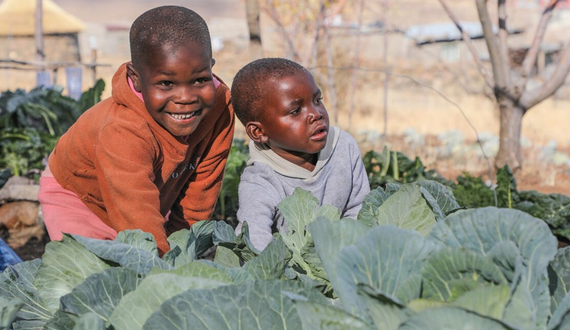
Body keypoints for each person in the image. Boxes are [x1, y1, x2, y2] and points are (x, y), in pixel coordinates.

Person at [37, 6, 235, 255]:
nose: (186, 97)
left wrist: (183, 252)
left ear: (211, 66)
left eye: (200, 80)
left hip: (141, 201)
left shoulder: (219, 108)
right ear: (137, 78)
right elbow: (138, 223)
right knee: (92, 278)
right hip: (79, 200)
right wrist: (162, 268)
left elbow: (201, 193)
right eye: (166, 83)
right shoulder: (122, 130)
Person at [231, 58, 370, 251]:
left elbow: (359, 210)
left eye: (317, 100)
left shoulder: (344, 147)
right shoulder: (259, 183)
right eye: (296, 111)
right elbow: (255, 242)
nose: (316, 114)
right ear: (259, 132)